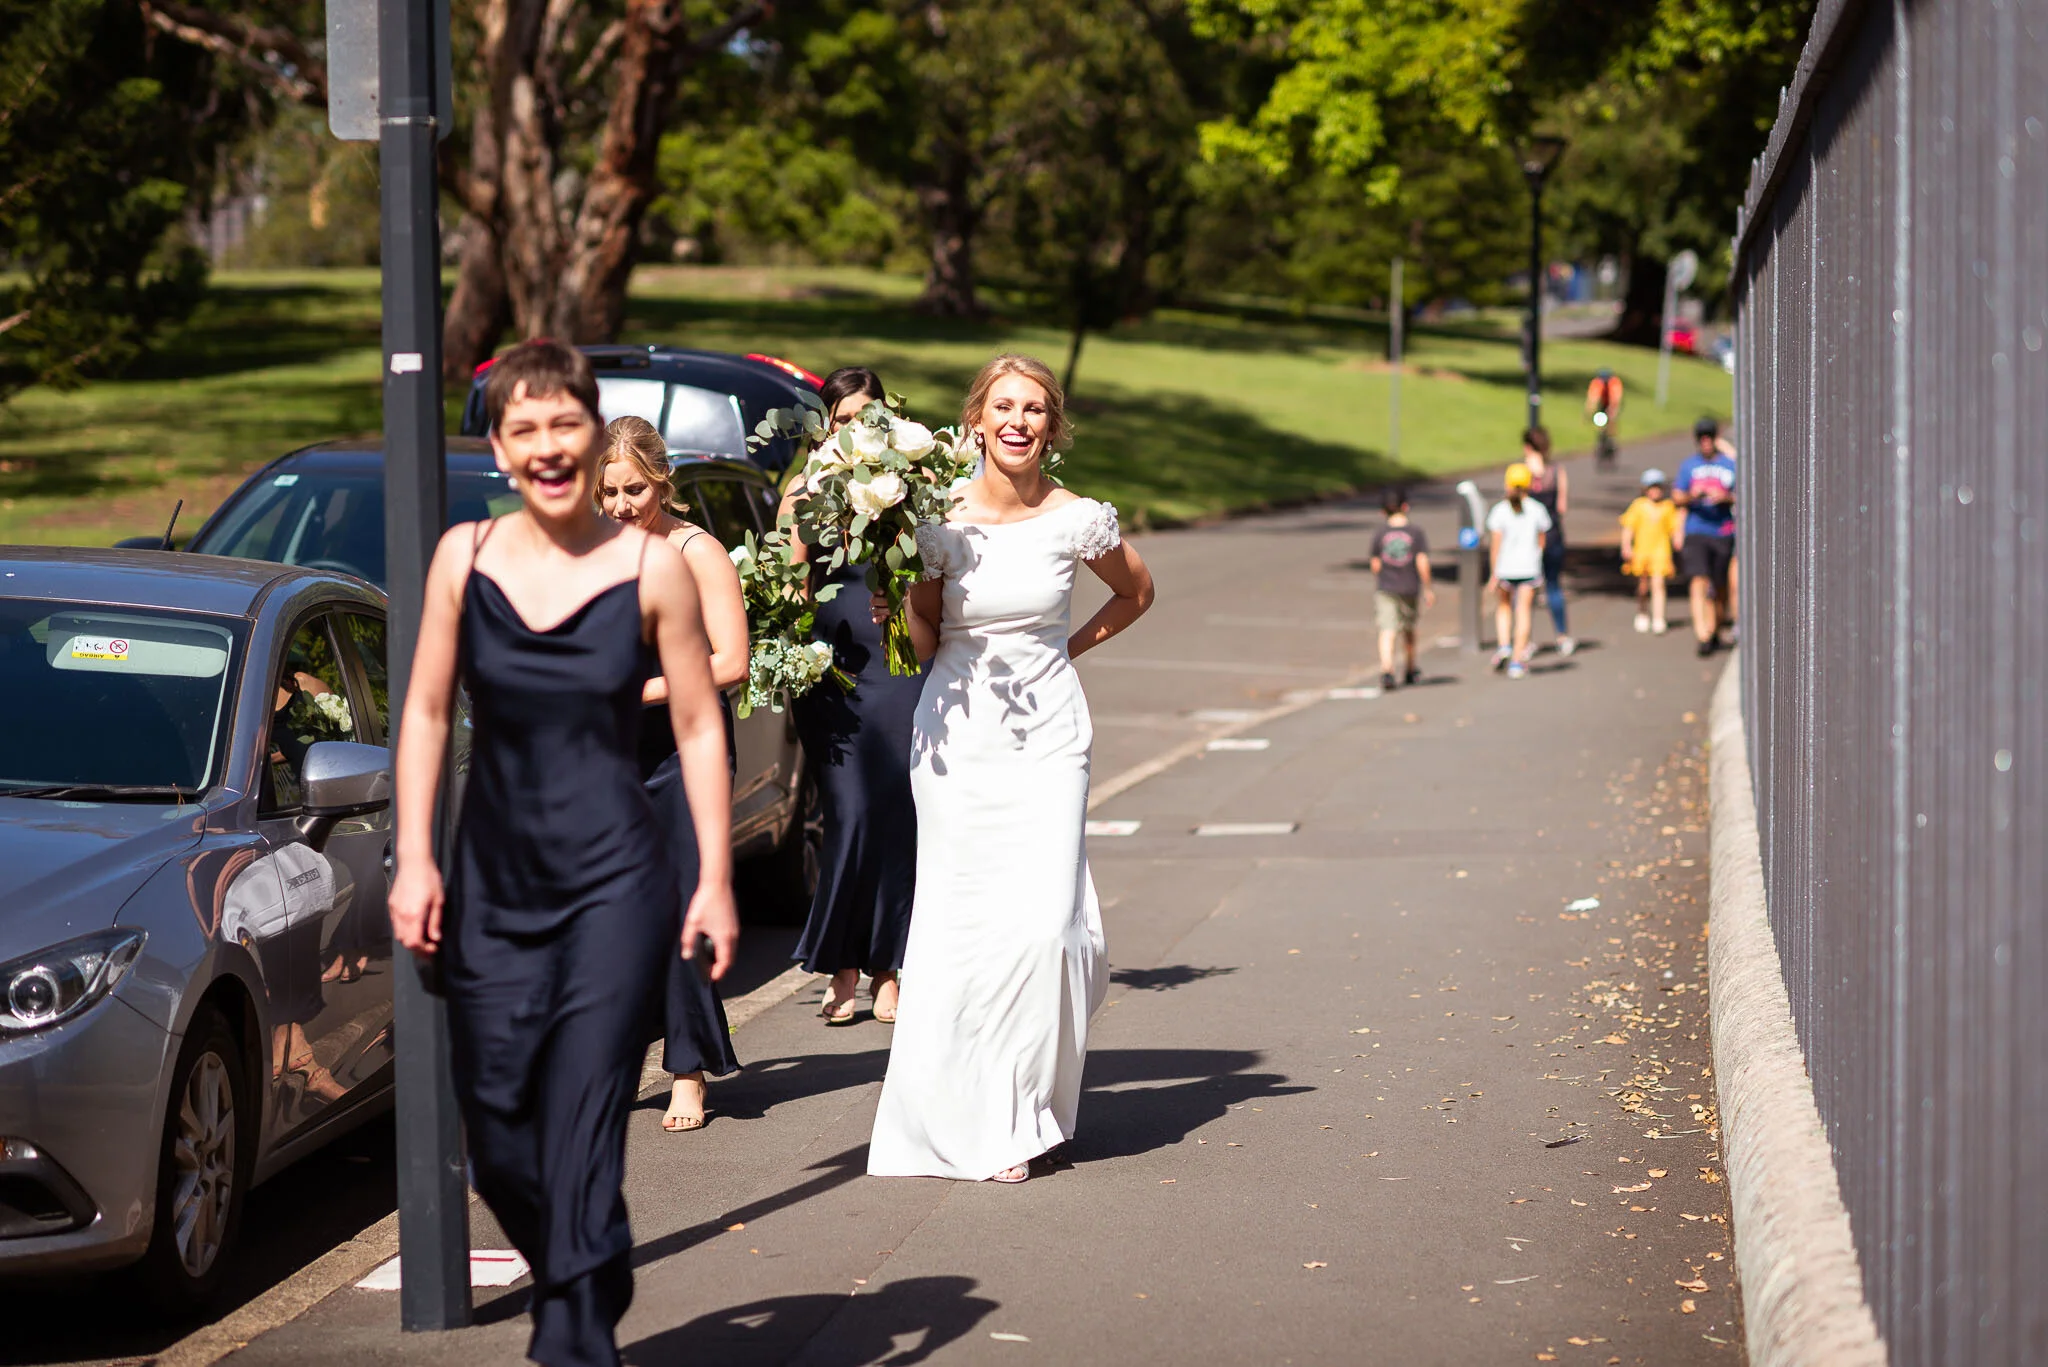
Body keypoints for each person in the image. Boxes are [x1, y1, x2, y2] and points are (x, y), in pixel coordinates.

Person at [388, 340, 738, 1367]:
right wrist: (415, 858)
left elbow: (700, 725)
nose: (547, 446)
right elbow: (420, 709)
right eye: (523, 428)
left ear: (591, 434)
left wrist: (712, 875)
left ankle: (574, 1331)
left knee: (584, 1119)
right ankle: (594, 1265)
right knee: (496, 1127)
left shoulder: (651, 565)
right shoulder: (464, 556)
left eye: (564, 424)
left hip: (614, 884)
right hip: (492, 880)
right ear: (499, 446)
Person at [867, 353, 1155, 1184]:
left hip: (1050, 738)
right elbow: (923, 644)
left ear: (1051, 426)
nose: (1019, 420)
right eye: (1004, 406)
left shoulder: (1078, 520)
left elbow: (1136, 593)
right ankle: (971, 1118)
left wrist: (1064, 650)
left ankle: (1027, 1104)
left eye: (1034, 408)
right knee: (962, 930)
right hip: (957, 739)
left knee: (1043, 929)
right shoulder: (936, 520)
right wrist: (900, 605)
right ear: (978, 420)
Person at [598, 416, 747, 1132]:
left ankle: (687, 1072)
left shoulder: (696, 551)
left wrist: (643, 688)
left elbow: (730, 661)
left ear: (662, 480)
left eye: (633, 488)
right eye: (609, 493)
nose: (622, 504)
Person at [782, 367, 922, 1026]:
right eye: (842, 420)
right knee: (849, 811)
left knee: (894, 810)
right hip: (830, 670)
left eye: (866, 418)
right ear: (826, 425)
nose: (854, 431)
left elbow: (932, 573)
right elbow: (787, 585)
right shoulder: (802, 488)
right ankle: (842, 965)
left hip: (896, 662)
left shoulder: (909, 487)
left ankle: (888, 967)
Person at [1673, 417, 1738, 657]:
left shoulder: (1729, 465)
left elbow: (1743, 495)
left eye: (1710, 437)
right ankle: (1703, 633)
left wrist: (1725, 498)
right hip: (1697, 529)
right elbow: (1677, 497)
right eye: (1702, 438)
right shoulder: (1689, 466)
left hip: (1722, 530)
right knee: (1698, 579)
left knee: (1719, 585)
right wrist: (1692, 496)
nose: (1706, 443)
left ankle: (1715, 625)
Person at [1485, 462, 1552, 681]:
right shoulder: (1537, 509)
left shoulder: (1500, 511)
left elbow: (1496, 546)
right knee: (1523, 612)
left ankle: (1504, 645)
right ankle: (1516, 660)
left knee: (1504, 608)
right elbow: (1542, 540)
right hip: (1528, 568)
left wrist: (1494, 572)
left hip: (1505, 568)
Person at [1366, 488, 1433, 690]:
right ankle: (1410, 667)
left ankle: (1387, 669)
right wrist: (1428, 587)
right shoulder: (1415, 532)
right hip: (1409, 586)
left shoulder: (1380, 533)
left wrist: (1384, 575)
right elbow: (1422, 561)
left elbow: (1375, 564)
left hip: (1387, 587)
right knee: (1409, 628)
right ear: (1405, 507)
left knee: (1387, 629)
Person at [1521, 428, 1573, 656]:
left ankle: (1526, 639)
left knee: (1526, 590)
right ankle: (1562, 636)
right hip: (1553, 534)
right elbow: (1562, 507)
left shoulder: (1522, 473)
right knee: (1553, 586)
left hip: (1528, 539)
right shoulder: (1556, 471)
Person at [1618, 468, 1682, 634]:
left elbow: (1674, 527)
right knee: (1643, 586)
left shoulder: (1667, 507)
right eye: (1651, 487)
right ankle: (1643, 611)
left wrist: (1677, 539)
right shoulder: (1638, 506)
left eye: (1658, 487)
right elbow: (1628, 527)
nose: (1655, 491)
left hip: (1661, 551)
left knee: (1659, 584)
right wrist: (1626, 546)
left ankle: (1659, 617)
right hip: (1642, 551)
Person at [1585, 369, 1623, 468]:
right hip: (1602, 405)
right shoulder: (1596, 383)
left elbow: (1616, 399)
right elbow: (1592, 399)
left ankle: (1612, 441)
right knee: (1600, 425)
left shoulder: (1614, 383)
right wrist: (1589, 413)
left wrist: (1612, 412)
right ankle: (1600, 441)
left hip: (1612, 404)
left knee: (1611, 423)